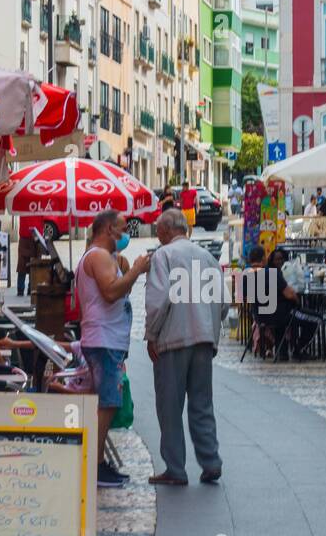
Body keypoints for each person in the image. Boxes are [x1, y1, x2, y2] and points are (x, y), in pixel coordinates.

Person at [144, 208, 226, 486]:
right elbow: (223, 303)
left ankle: (175, 469)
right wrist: (210, 327)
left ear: (166, 231)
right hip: (203, 340)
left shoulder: (163, 256)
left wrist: (151, 335)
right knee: (202, 403)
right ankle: (211, 460)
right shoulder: (208, 258)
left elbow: (158, 302)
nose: (157, 234)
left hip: (173, 340)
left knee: (170, 406)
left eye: (158, 229)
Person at [76, 208, 151, 487]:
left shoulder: (103, 257)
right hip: (103, 339)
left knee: (107, 402)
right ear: (108, 229)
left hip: (106, 338)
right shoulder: (97, 256)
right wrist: (135, 270)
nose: (125, 233)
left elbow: (116, 291)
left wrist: (126, 272)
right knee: (107, 403)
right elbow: (110, 293)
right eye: (121, 228)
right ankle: (94, 466)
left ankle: (98, 462)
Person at [268, 247, 319, 361]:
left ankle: (283, 352)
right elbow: (291, 294)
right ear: (271, 261)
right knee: (317, 318)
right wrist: (297, 301)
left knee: (287, 318)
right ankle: (298, 349)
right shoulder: (277, 275)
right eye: (277, 259)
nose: (280, 262)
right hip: (283, 314)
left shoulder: (265, 273)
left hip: (267, 316)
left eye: (281, 259)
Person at [16, 228, 39, 297]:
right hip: (26, 237)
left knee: (33, 267)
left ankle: (30, 289)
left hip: (35, 238)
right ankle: (22, 290)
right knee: (22, 267)